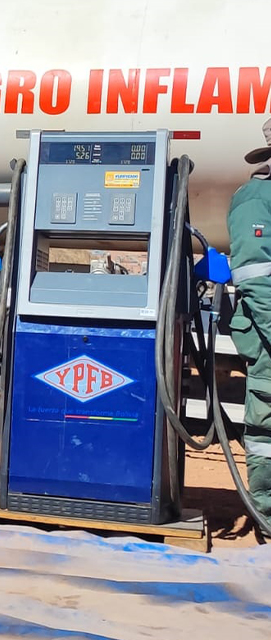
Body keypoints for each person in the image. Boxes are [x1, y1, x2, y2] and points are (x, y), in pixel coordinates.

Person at [226, 117, 271, 520]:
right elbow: (256, 279)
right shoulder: (256, 199)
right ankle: (268, 512)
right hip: (268, 340)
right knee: (267, 430)